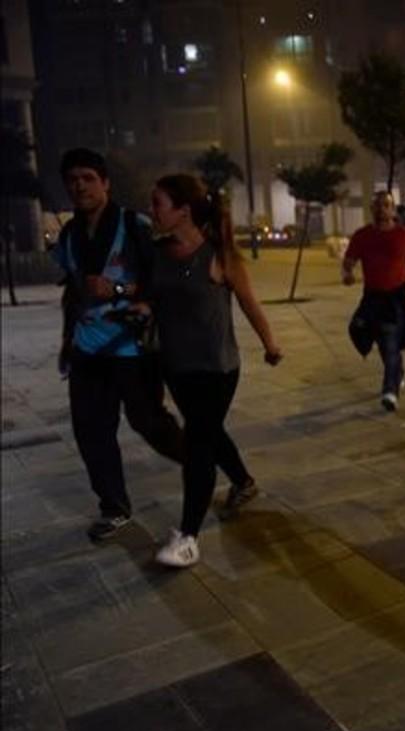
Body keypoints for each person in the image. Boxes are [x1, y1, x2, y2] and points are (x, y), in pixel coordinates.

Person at [145, 174, 283, 568]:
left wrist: (270, 345)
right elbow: (150, 298)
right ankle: (243, 481)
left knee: (198, 442)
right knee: (209, 430)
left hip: (217, 368)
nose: (152, 211)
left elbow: (250, 304)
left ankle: (188, 537)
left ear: (183, 211)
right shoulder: (156, 253)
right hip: (176, 367)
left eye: (158, 203)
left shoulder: (219, 257)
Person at [52, 148, 185, 542]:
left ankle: (204, 462)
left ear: (105, 183)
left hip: (132, 348)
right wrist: (66, 338)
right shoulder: (69, 234)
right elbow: (73, 291)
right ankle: (113, 506)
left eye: (88, 178)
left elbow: (164, 280)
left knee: (149, 423)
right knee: (90, 430)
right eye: (73, 179)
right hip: (88, 349)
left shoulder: (134, 225)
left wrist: (122, 289)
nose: (80, 185)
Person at [342, 191, 405, 410]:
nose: (382, 210)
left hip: (395, 297)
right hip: (371, 297)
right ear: (371, 210)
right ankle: (397, 371)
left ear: (393, 209)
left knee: (389, 341)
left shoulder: (404, 236)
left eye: (386, 205)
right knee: (362, 332)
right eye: (377, 206)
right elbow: (348, 261)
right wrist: (347, 274)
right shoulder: (362, 235)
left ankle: (390, 391)